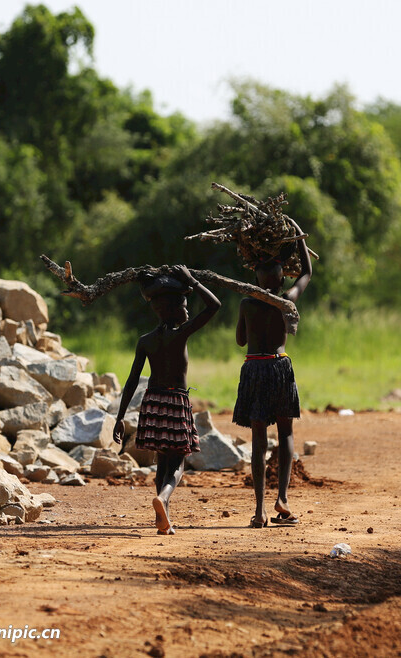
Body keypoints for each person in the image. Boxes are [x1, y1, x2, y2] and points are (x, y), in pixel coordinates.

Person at [112, 265, 221, 535]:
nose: (188, 311)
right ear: (172, 309)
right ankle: (164, 499)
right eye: (184, 307)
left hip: (153, 402)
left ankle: (164, 519)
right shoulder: (181, 334)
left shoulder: (145, 340)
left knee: (162, 460)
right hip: (175, 401)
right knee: (178, 463)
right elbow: (214, 305)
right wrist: (193, 281)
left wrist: (119, 417)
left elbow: (132, 381)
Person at [232, 219, 313, 528]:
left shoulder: (245, 303)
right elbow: (306, 272)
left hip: (253, 368)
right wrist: (298, 237)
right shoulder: (286, 301)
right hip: (279, 367)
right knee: (286, 433)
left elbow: (240, 341)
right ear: (282, 278)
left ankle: (259, 509)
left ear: (255, 277)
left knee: (258, 438)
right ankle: (283, 499)